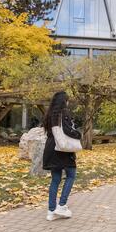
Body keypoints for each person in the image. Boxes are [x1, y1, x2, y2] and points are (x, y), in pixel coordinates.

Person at [43, 91, 81, 221]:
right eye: (67, 100)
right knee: (71, 175)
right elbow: (68, 131)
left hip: (51, 149)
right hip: (62, 149)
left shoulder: (49, 114)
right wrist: (78, 134)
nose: (68, 102)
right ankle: (62, 205)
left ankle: (51, 210)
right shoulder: (63, 113)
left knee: (55, 179)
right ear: (64, 101)